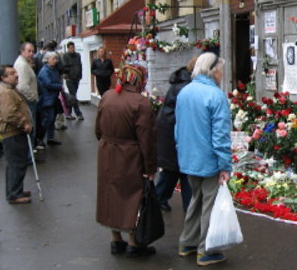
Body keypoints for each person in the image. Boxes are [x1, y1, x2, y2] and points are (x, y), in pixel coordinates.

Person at [175, 53, 232, 266]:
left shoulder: (185, 93)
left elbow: (178, 127)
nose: (222, 73)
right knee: (210, 203)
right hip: (209, 160)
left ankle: (187, 242)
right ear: (213, 70)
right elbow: (220, 136)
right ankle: (206, 250)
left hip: (188, 157)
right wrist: (225, 165)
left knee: (195, 200)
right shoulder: (215, 96)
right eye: (220, 69)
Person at [95, 64, 157, 257]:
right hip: (130, 154)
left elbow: (98, 129)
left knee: (110, 193)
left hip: (107, 150)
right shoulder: (141, 102)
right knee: (132, 196)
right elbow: (147, 139)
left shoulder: (107, 96)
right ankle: (133, 241)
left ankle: (115, 239)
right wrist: (150, 167)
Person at [155, 56, 199, 213]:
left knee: (172, 171)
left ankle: (159, 199)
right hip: (173, 135)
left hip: (170, 133)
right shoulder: (186, 87)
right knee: (181, 172)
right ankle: (189, 208)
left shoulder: (182, 83)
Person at [0, 65, 33, 204]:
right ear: (3, 78)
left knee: (14, 163)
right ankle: (14, 194)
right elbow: (9, 114)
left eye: (15, 72)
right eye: (12, 73)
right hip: (12, 133)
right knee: (17, 164)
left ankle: (15, 190)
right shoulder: (6, 92)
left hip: (13, 132)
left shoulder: (9, 89)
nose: (16, 75)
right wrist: (24, 123)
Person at [13, 43, 39, 149]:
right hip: (28, 101)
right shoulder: (22, 65)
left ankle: (29, 153)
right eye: (29, 51)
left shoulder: (24, 63)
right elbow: (22, 86)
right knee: (30, 127)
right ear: (22, 51)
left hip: (27, 100)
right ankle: (29, 156)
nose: (31, 54)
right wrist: (33, 97)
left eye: (33, 51)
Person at [37, 52, 63, 146]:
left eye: (56, 58)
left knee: (51, 119)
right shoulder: (45, 71)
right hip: (47, 98)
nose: (56, 60)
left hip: (53, 98)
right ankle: (40, 138)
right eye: (53, 59)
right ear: (47, 60)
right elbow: (48, 84)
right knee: (48, 119)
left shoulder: (53, 69)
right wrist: (60, 86)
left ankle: (50, 138)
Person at [62, 41, 83, 120]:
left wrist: (80, 75)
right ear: (68, 48)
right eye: (71, 48)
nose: (73, 49)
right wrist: (66, 76)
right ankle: (78, 113)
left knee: (72, 96)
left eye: (73, 47)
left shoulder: (77, 55)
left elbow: (80, 65)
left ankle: (68, 113)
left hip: (76, 78)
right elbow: (64, 67)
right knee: (73, 95)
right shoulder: (65, 56)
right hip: (69, 79)